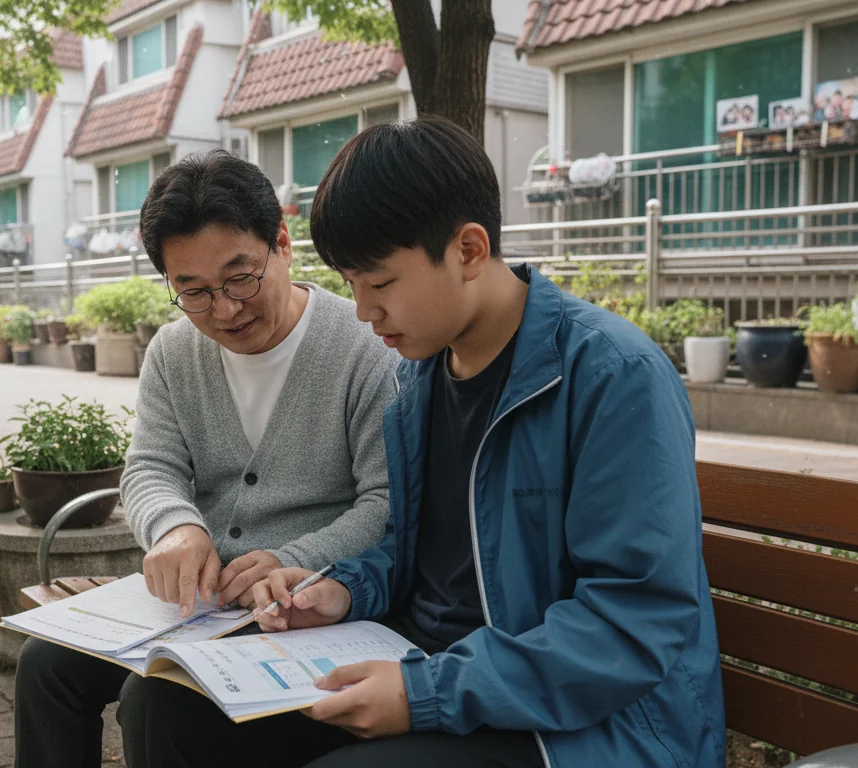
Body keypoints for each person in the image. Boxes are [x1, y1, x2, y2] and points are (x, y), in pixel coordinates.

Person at [119, 116, 725, 768]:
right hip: (427, 667)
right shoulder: (420, 380)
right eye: (350, 285)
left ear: (467, 250)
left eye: (379, 284)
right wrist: (342, 588)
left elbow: (633, 623)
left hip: (579, 724)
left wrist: (424, 693)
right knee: (166, 707)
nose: (360, 311)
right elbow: (415, 556)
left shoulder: (608, 374)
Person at [13, 150, 398, 768]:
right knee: (44, 666)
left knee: (154, 700)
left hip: (297, 604)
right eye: (191, 290)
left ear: (282, 243)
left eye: (239, 277)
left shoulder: (362, 349)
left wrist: (292, 559)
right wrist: (176, 527)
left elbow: (387, 502)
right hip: (201, 601)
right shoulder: (173, 350)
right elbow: (150, 465)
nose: (223, 309)